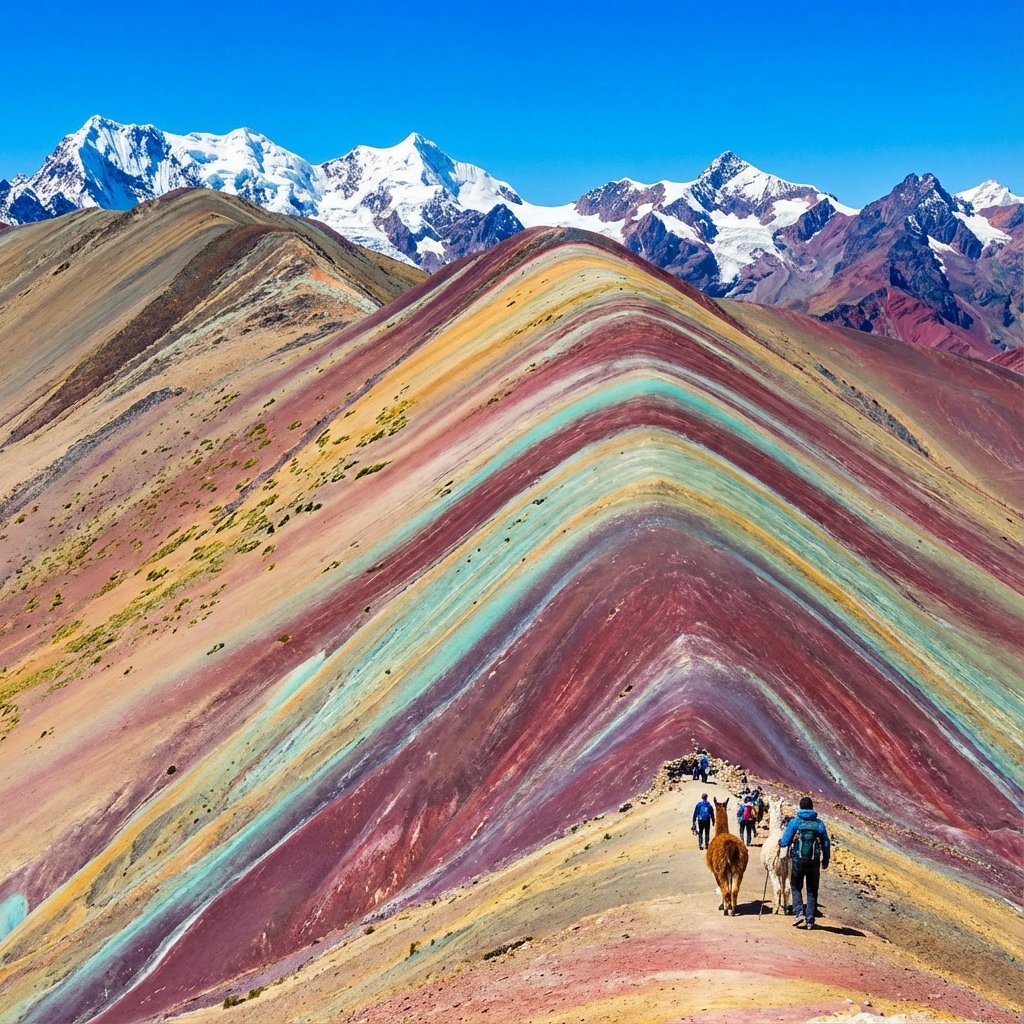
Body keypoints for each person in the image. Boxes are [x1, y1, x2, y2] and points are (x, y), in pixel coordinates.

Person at [778, 796, 831, 929]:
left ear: (800, 807)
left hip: (798, 860)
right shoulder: (819, 824)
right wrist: (826, 860)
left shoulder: (795, 822)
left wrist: (781, 842)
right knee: (812, 890)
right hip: (814, 862)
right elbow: (826, 843)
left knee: (796, 887)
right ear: (812, 808)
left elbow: (785, 841)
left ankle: (799, 913)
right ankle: (810, 920)